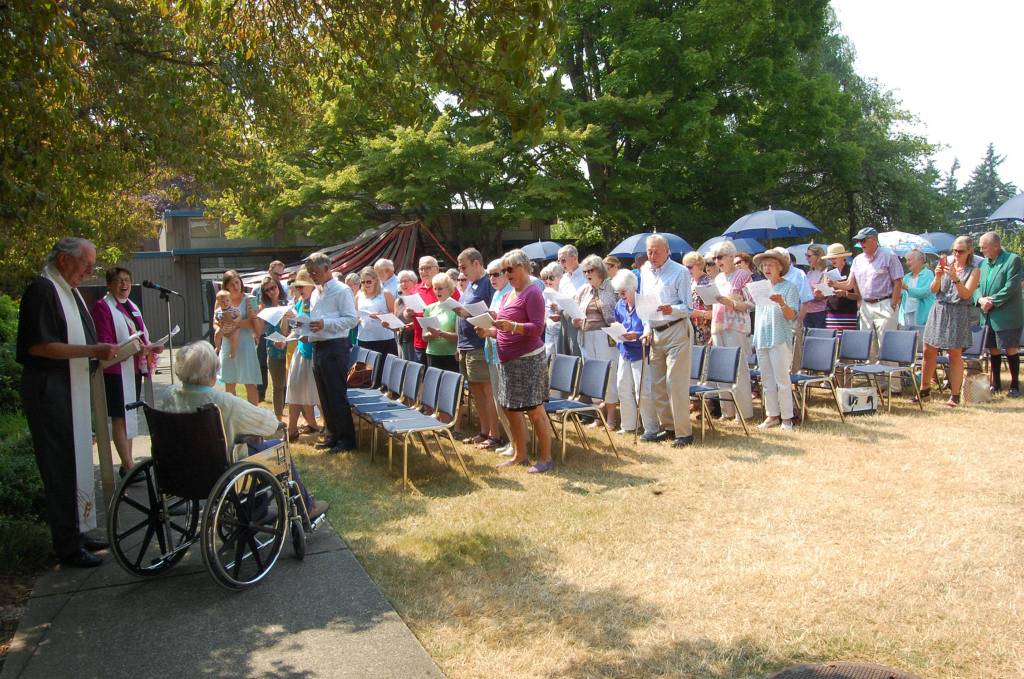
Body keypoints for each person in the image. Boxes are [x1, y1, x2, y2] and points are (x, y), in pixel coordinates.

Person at [17, 238, 117, 567]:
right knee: (59, 466)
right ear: (63, 259)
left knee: (75, 461)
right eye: (85, 264)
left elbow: (85, 339)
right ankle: (66, 546)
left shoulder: (69, 290)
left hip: (69, 386)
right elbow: (40, 346)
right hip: (49, 390)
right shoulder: (43, 290)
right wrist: (93, 351)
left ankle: (78, 531)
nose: (90, 271)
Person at [161, 341, 327, 520]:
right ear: (212, 374)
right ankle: (306, 508)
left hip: (180, 469)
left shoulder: (170, 395)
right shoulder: (222, 402)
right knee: (276, 448)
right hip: (220, 471)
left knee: (253, 446)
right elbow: (269, 424)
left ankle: (258, 510)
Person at [477, 249, 555, 473]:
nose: (506, 274)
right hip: (508, 361)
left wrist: (512, 327)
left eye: (509, 269)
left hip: (528, 362)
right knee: (511, 409)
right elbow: (505, 327)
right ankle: (520, 455)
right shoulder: (510, 293)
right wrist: (490, 332)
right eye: (504, 270)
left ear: (523, 267)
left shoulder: (533, 293)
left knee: (535, 411)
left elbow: (537, 328)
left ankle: (546, 458)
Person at [91, 266, 160, 478]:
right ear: (109, 285)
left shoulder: (132, 306)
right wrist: (133, 345)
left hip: (133, 367)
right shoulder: (103, 307)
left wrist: (151, 346)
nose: (124, 285)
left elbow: (141, 335)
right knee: (120, 417)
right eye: (119, 281)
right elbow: (105, 340)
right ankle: (129, 466)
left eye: (127, 280)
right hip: (115, 370)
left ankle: (126, 463)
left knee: (130, 415)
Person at [639, 234, 694, 447]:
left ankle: (684, 433)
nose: (652, 256)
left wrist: (673, 309)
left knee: (675, 383)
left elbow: (688, 308)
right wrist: (646, 328)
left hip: (676, 330)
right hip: (655, 331)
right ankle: (669, 428)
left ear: (667, 251)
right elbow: (644, 303)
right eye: (649, 252)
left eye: (656, 252)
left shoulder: (680, 271)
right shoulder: (644, 271)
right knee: (658, 384)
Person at [304, 252, 358, 453]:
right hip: (318, 346)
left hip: (335, 346)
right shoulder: (317, 292)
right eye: (310, 273)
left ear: (327, 269)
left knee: (336, 393)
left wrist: (326, 324)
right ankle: (332, 434)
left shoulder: (342, 290)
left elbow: (351, 320)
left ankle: (346, 439)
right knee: (324, 394)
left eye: (315, 272)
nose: (312, 276)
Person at [917, 236, 981, 406]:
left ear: (969, 251)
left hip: (958, 312)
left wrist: (955, 279)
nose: (957, 254)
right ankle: (924, 390)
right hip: (939, 309)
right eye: (954, 251)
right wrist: (937, 276)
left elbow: (966, 294)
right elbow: (933, 290)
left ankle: (954, 395)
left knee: (954, 353)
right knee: (928, 350)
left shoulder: (974, 270)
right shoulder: (947, 266)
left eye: (960, 251)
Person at [828, 227, 904, 358]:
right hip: (865, 307)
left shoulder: (889, 255)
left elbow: (898, 281)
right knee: (868, 349)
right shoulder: (858, 260)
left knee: (886, 348)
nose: (861, 244)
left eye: (863, 240)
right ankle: (873, 378)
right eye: (859, 241)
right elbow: (849, 284)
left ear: (874, 240)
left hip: (884, 304)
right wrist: (834, 284)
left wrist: (893, 304)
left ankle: (891, 378)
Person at [454, 248, 501, 449]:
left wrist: (468, 313)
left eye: (464, 266)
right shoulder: (470, 286)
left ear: (476, 263)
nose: (461, 271)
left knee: (486, 390)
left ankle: (494, 434)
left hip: (480, 345)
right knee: (475, 390)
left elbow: (493, 314)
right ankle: (483, 431)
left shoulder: (487, 284)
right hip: (466, 345)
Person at [751, 249, 801, 430]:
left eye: (770, 264)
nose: (766, 268)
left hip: (779, 337)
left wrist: (781, 302)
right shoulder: (760, 287)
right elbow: (759, 314)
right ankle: (772, 415)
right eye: (764, 265)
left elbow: (792, 315)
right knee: (766, 380)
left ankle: (787, 418)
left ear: (780, 267)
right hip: (763, 337)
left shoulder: (789, 287)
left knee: (782, 380)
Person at [708, 241, 754, 422]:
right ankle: (728, 412)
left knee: (739, 369)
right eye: (714, 258)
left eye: (720, 257)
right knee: (722, 369)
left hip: (737, 326)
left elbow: (752, 303)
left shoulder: (743, 275)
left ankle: (744, 413)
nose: (717, 261)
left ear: (730, 257)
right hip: (718, 326)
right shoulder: (718, 279)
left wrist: (732, 303)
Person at [574, 254, 620, 429]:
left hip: (605, 337)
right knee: (594, 376)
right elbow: (575, 311)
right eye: (584, 271)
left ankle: (611, 418)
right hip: (585, 336)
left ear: (600, 270)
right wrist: (575, 321)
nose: (587, 274)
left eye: (590, 270)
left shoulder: (611, 288)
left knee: (608, 376)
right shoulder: (583, 290)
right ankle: (598, 417)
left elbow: (614, 314)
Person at [975, 230, 1023, 396]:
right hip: (987, 314)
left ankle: (1015, 385)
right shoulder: (983, 264)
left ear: (996, 246)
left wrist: (992, 301)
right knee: (993, 349)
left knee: (1010, 349)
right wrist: (980, 299)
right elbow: (976, 286)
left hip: (1007, 315)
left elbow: (1011, 286)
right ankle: (996, 384)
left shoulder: (1012, 260)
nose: (981, 251)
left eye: (984, 247)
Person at [611, 269, 656, 436]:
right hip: (625, 350)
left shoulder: (643, 303)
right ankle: (628, 425)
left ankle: (651, 428)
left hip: (642, 351)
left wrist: (636, 335)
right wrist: (617, 332)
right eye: (618, 293)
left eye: (623, 292)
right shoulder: (619, 305)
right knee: (622, 387)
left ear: (633, 289)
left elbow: (647, 326)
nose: (621, 296)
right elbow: (618, 322)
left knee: (643, 390)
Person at [215, 270, 263, 405]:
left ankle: (254, 415)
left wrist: (232, 323)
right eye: (232, 284)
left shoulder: (249, 299)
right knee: (229, 382)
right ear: (226, 287)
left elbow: (253, 324)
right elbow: (215, 322)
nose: (236, 286)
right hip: (227, 343)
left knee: (250, 383)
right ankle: (233, 414)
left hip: (245, 344)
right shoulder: (220, 300)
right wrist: (221, 327)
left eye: (237, 282)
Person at [483, 258, 516, 454]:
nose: (492, 278)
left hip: (503, 351)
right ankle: (512, 441)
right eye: (490, 275)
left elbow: (508, 322)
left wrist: (493, 320)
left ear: (506, 274)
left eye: (496, 274)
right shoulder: (496, 294)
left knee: (505, 399)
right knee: (498, 399)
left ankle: (516, 442)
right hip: (491, 349)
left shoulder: (510, 294)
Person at [283, 269, 320, 440]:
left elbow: (314, 327)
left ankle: (326, 428)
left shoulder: (317, 302)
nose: (299, 289)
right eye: (297, 286)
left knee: (317, 393)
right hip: (301, 350)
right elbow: (297, 330)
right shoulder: (300, 302)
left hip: (314, 351)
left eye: (302, 286)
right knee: (295, 387)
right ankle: (292, 429)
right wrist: (284, 340)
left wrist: (297, 318)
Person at [404, 256, 459, 364]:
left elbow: (458, 312)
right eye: (421, 269)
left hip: (447, 347)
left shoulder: (450, 289)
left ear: (437, 269)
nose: (424, 272)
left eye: (428, 268)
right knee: (424, 379)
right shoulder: (415, 289)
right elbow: (407, 314)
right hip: (421, 342)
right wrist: (407, 314)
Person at [257, 275, 288, 418]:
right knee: (278, 386)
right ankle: (278, 419)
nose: (271, 291)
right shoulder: (265, 308)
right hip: (273, 349)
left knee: (291, 385)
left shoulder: (288, 302)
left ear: (278, 286)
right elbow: (260, 330)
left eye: (273, 287)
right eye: (267, 290)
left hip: (289, 348)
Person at [355, 266, 398, 357]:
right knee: (366, 369)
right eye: (363, 282)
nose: (366, 284)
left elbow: (394, 315)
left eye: (369, 281)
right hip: (364, 338)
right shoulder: (359, 295)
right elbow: (355, 314)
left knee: (385, 369)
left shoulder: (385, 293)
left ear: (375, 280)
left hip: (384, 338)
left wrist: (381, 316)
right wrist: (356, 319)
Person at [421, 273, 460, 372]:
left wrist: (441, 333)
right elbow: (424, 337)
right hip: (433, 353)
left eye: (440, 288)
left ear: (449, 289)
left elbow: (459, 337)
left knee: (450, 386)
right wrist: (432, 334)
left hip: (451, 355)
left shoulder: (456, 308)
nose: (437, 291)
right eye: (435, 288)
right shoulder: (429, 308)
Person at [556, 244, 586, 355]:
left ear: (574, 258)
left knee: (577, 354)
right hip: (564, 321)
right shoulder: (564, 278)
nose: (561, 264)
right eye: (559, 261)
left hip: (578, 321)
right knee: (566, 354)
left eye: (563, 260)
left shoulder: (585, 274)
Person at [822, 243, 859, 331]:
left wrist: (845, 294)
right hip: (832, 313)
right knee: (832, 341)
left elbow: (858, 296)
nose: (832, 260)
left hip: (849, 313)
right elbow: (824, 293)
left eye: (834, 258)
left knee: (847, 341)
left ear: (843, 257)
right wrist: (821, 290)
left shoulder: (851, 271)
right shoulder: (828, 270)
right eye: (830, 258)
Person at [898, 248, 936, 328]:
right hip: (907, 313)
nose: (907, 263)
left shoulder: (928, 274)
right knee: (907, 339)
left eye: (909, 260)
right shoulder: (907, 277)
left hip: (922, 316)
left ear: (920, 261)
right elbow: (900, 293)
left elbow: (925, 292)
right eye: (906, 260)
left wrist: (907, 288)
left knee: (920, 339)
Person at [683, 251, 712, 347]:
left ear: (700, 265)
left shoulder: (708, 281)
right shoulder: (689, 282)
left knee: (705, 359)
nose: (687, 270)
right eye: (685, 267)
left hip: (705, 326)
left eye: (690, 267)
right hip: (690, 326)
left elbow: (714, 307)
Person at [539, 262, 564, 357]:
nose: (548, 281)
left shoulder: (564, 291)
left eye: (551, 278)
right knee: (549, 358)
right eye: (546, 278)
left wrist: (558, 309)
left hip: (561, 332)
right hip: (549, 330)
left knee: (561, 360)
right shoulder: (545, 292)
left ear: (559, 278)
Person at [393, 270, 419, 361]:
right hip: (401, 340)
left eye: (406, 281)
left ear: (414, 282)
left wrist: (413, 325)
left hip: (414, 340)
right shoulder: (398, 301)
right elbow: (396, 323)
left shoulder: (418, 299)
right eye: (401, 282)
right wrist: (388, 324)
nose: (403, 284)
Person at [803, 244, 829, 330]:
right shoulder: (809, 273)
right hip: (807, 313)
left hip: (819, 313)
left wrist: (808, 296)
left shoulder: (826, 272)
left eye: (809, 256)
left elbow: (823, 295)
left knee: (819, 340)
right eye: (806, 255)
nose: (807, 258)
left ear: (818, 257)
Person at [213, 290, 240, 359]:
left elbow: (240, 316)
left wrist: (235, 320)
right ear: (218, 302)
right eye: (222, 301)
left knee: (234, 338)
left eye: (227, 301)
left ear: (230, 300)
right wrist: (217, 322)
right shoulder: (218, 311)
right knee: (217, 334)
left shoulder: (234, 309)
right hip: (223, 327)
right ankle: (218, 347)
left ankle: (233, 352)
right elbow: (215, 319)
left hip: (233, 327)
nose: (225, 303)